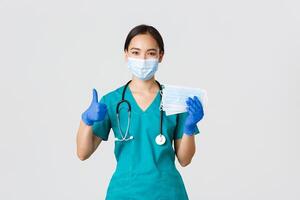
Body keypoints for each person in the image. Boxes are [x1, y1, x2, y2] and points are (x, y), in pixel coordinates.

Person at [76, 24, 204, 200]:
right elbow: (83, 153)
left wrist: (189, 128)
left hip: (168, 193)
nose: (143, 59)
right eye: (136, 52)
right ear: (126, 54)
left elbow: (185, 159)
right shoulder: (112, 101)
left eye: (150, 53)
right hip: (124, 193)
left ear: (161, 56)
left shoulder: (175, 100)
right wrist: (86, 120)